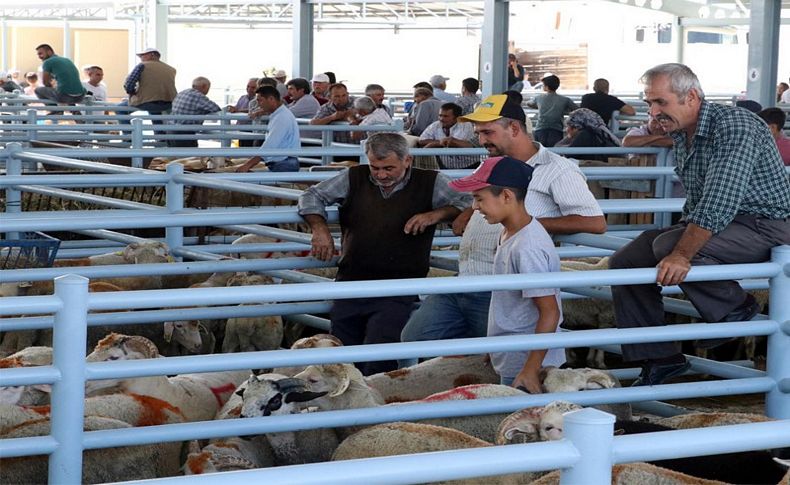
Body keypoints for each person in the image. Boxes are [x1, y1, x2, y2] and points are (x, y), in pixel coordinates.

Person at [610, 63, 790, 387]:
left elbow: (720, 197)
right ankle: (660, 357)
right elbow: (698, 197)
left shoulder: (736, 125)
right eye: (649, 103)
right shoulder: (683, 132)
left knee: (668, 247)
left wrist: (680, 252)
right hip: (729, 224)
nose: (653, 112)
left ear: (691, 96)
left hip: (768, 224)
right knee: (625, 260)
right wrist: (679, 235)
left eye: (660, 102)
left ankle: (736, 307)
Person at [401, 95, 605, 353]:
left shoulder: (558, 169)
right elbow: (487, 200)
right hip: (464, 278)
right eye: (478, 133)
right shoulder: (490, 164)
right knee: (413, 340)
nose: (482, 140)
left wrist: (526, 224)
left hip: (500, 287)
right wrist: (468, 211)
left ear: (515, 129)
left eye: (488, 132)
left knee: (497, 359)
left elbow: (595, 222)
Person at [297, 132, 470, 375]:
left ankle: (373, 405)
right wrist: (319, 227)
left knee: (381, 351)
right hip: (352, 280)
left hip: (398, 286)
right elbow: (311, 194)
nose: (381, 175)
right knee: (342, 353)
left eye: (389, 167)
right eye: (375, 167)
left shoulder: (431, 182)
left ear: (407, 160)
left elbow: (467, 201)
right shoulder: (354, 177)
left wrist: (437, 214)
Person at [449, 156, 564, 391]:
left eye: (479, 199)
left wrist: (531, 369)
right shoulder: (509, 233)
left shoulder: (527, 246)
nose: (474, 207)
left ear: (506, 196)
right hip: (514, 353)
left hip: (528, 361)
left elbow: (550, 311)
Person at [235, 85, 301, 172]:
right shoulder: (280, 115)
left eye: (260, 100)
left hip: (283, 163)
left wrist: (248, 165)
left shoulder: (281, 118)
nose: (258, 104)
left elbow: (269, 145)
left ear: (271, 99)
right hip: (284, 162)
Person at [418, 102, 480, 169]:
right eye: (440, 115)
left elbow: (452, 142)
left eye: (445, 116)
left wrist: (433, 144)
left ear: (457, 118)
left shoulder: (465, 125)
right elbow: (421, 140)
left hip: (469, 165)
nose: (441, 119)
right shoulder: (436, 125)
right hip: (446, 165)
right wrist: (439, 142)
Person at [124, 47, 177, 121]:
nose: (141, 57)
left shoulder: (142, 65)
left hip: (147, 103)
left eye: (143, 55)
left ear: (152, 55)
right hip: (169, 103)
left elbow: (129, 84)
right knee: (156, 115)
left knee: (120, 109)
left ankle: (127, 132)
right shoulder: (171, 69)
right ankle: (158, 132)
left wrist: (132, 94)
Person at [168, 76, 222, 147]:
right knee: (189, 156)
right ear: (204, 86)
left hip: (170, 129)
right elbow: (216, 109)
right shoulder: (198, 96)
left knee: (175, 155)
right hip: (184, 132)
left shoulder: (183, 92)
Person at [527, 74, 576, 147]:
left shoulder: (539, 98)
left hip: (541, 128)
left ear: (546, 87)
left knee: (540, 151)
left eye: (543, 85)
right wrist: (565, 110)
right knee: (554, 152)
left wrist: (539, 107)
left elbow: (529, 103)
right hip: (556, 129)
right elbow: (576, 109)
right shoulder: (565, 99)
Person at [555, 108, 621, 162]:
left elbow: (564, 154)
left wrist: (568, 138)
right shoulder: (599, 133)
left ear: (576, 127)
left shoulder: (585, 135)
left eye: (568, 126)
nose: (566, 130)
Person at [228, 77, 259, 147]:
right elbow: (237, 108)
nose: (249, 89)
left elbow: (254, 110)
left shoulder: (259, 99)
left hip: (252, 129)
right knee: (242, 148)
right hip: (241, 128)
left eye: (253, 87)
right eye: (248, 86)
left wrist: (237, 110)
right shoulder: (243, 97)